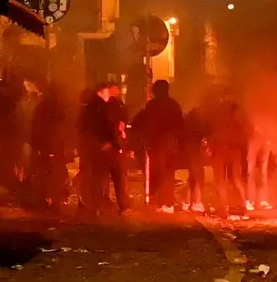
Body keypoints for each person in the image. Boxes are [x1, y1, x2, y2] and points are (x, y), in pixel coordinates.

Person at [132, 80, 185, 213]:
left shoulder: (152, 105)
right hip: (171, 143)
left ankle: (160, 202)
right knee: (168, 173)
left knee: (158, 172)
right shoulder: (174, 104)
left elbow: (146, 123)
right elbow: (181, 124)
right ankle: (168, 203)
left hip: (158, 143)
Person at [79, 82, 130, 217]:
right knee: (113, 178)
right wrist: (114, 140)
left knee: (103, 179)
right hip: (106, 147)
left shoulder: (97, 106)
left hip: (105, 147)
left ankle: (100, 207)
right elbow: (105, 127)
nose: (109, 94)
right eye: (107, 91)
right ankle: (119, 207)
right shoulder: (100, 107)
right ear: (100, 92)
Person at [206, 91, 250, 220]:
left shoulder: (218, 117)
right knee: (235, 179)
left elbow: (212, 133)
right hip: (233, 151)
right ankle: (242, 209)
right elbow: (244, 136)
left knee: (221, 180)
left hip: (221, 150)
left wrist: (211, 147)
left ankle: (225, 210)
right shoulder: (239, 118)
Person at [29, 82, 70, 209]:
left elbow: (36, 125)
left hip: (46, 145)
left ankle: (46, 197)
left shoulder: (42, 107)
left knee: (46, 171)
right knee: (54, 171)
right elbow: (61, 127)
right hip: (52, 145)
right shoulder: (57, 107)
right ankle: (53, 197)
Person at [182, 103, 209, 213]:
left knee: (193, 176)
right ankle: (197, 202)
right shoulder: (198, 124)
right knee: (198, 176)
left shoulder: (188, 123)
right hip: (195, 150)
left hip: (190, 150)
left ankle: (187, 201)